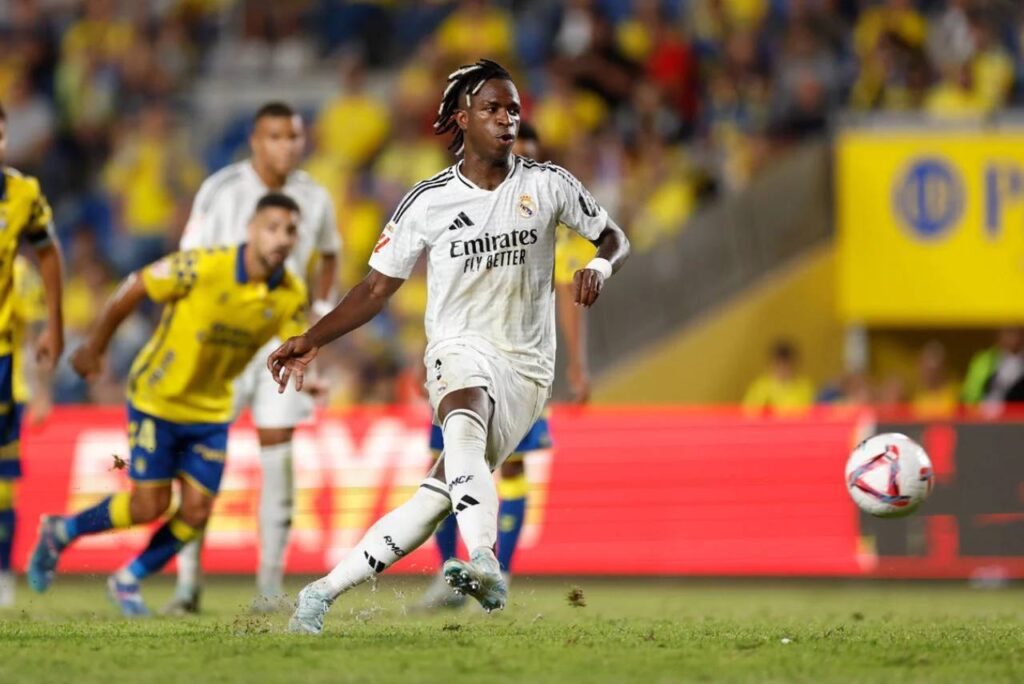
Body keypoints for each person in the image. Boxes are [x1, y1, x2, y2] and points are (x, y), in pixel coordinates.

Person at [270, 58, 630, 634]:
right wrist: (312, 339)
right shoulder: (428, 200)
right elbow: (375, 288)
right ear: (462, 119)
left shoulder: (548, 185)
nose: (506, 118)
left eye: (513, 108)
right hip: (458, 349)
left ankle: (319, 594)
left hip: (529, 369)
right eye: (492, 108)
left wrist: (600, 266)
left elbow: (613, 236)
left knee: (433, 500)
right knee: (463, 416)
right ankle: (484, 560)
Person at [26, 194, 308, 617]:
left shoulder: (290, 293)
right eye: (272, 227)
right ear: (250, 229)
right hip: (157, 398)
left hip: (211, 409)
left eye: (290, 230)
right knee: (149, 506)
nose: (281, 238)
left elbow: (295, 340)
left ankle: (127, 579)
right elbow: (137, 284)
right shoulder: (205, 266)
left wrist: (301, 360)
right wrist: (95, 347)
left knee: (195, 511)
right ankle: (61, 531)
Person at [168, 102, 340, 614]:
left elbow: (330, 255)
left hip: (282, 341)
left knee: (278, 452)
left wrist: (321, 320)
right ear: (254, 140)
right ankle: (187, 584)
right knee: (200, 455)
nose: (287, 146)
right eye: (276, 137)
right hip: (220, 340)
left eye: (294, 136)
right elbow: (189, 261)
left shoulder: (315, 195)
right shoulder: (221, 190)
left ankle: (269, 588)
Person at [418, 121, 592, 610]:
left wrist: (576, 366)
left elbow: (566, 295)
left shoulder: (548, 223)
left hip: (519, 365)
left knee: (509, 467)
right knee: (450, 463)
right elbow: (445, 290)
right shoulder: (468, 207)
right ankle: (448, 575)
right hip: (462, 361)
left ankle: (500, 574)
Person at [0, 103, 65, 607]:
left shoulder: (22, 194)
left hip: (3, 362)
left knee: (3, 482)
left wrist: (55, 334)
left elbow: (47, 253)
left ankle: (2, 574)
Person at [742, 340, 815, 416]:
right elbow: (749, 414)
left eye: (786, 365)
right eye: (779, 364)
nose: (782, 368)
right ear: (772, 365)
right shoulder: (760, 387)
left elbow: (812, 414)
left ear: (795, 365)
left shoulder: (805, 387)